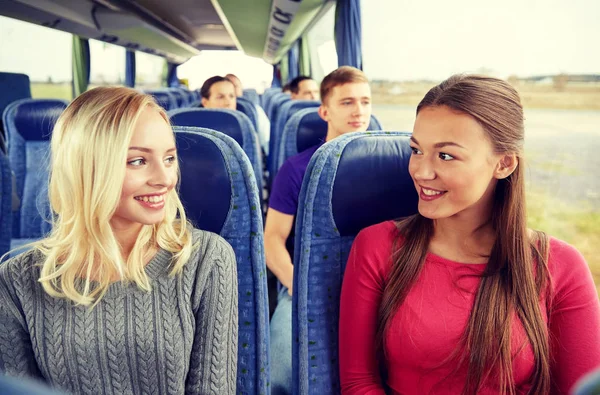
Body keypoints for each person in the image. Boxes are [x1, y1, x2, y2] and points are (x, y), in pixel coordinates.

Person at [338, 75, 600, 394]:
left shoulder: (560, 266)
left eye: (445, 155)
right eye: (416, 150)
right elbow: (358, 382)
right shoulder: (377, 246)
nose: (421, 172)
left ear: (503, 164)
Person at [0, 87, 239, 394]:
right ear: (87, 168)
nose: (166, 179)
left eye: (169, 158)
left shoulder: (207, 259)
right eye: (138, 161)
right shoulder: (16, 283)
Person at [265, 66, 372, 394]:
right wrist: (297, 284)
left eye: (366, 102)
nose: (359, 111)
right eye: (347, 102)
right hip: (307, 280)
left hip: (376, 284)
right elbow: (272, 241)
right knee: (281, 370)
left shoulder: (392, 164)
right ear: (324, 111)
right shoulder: (297, 169)